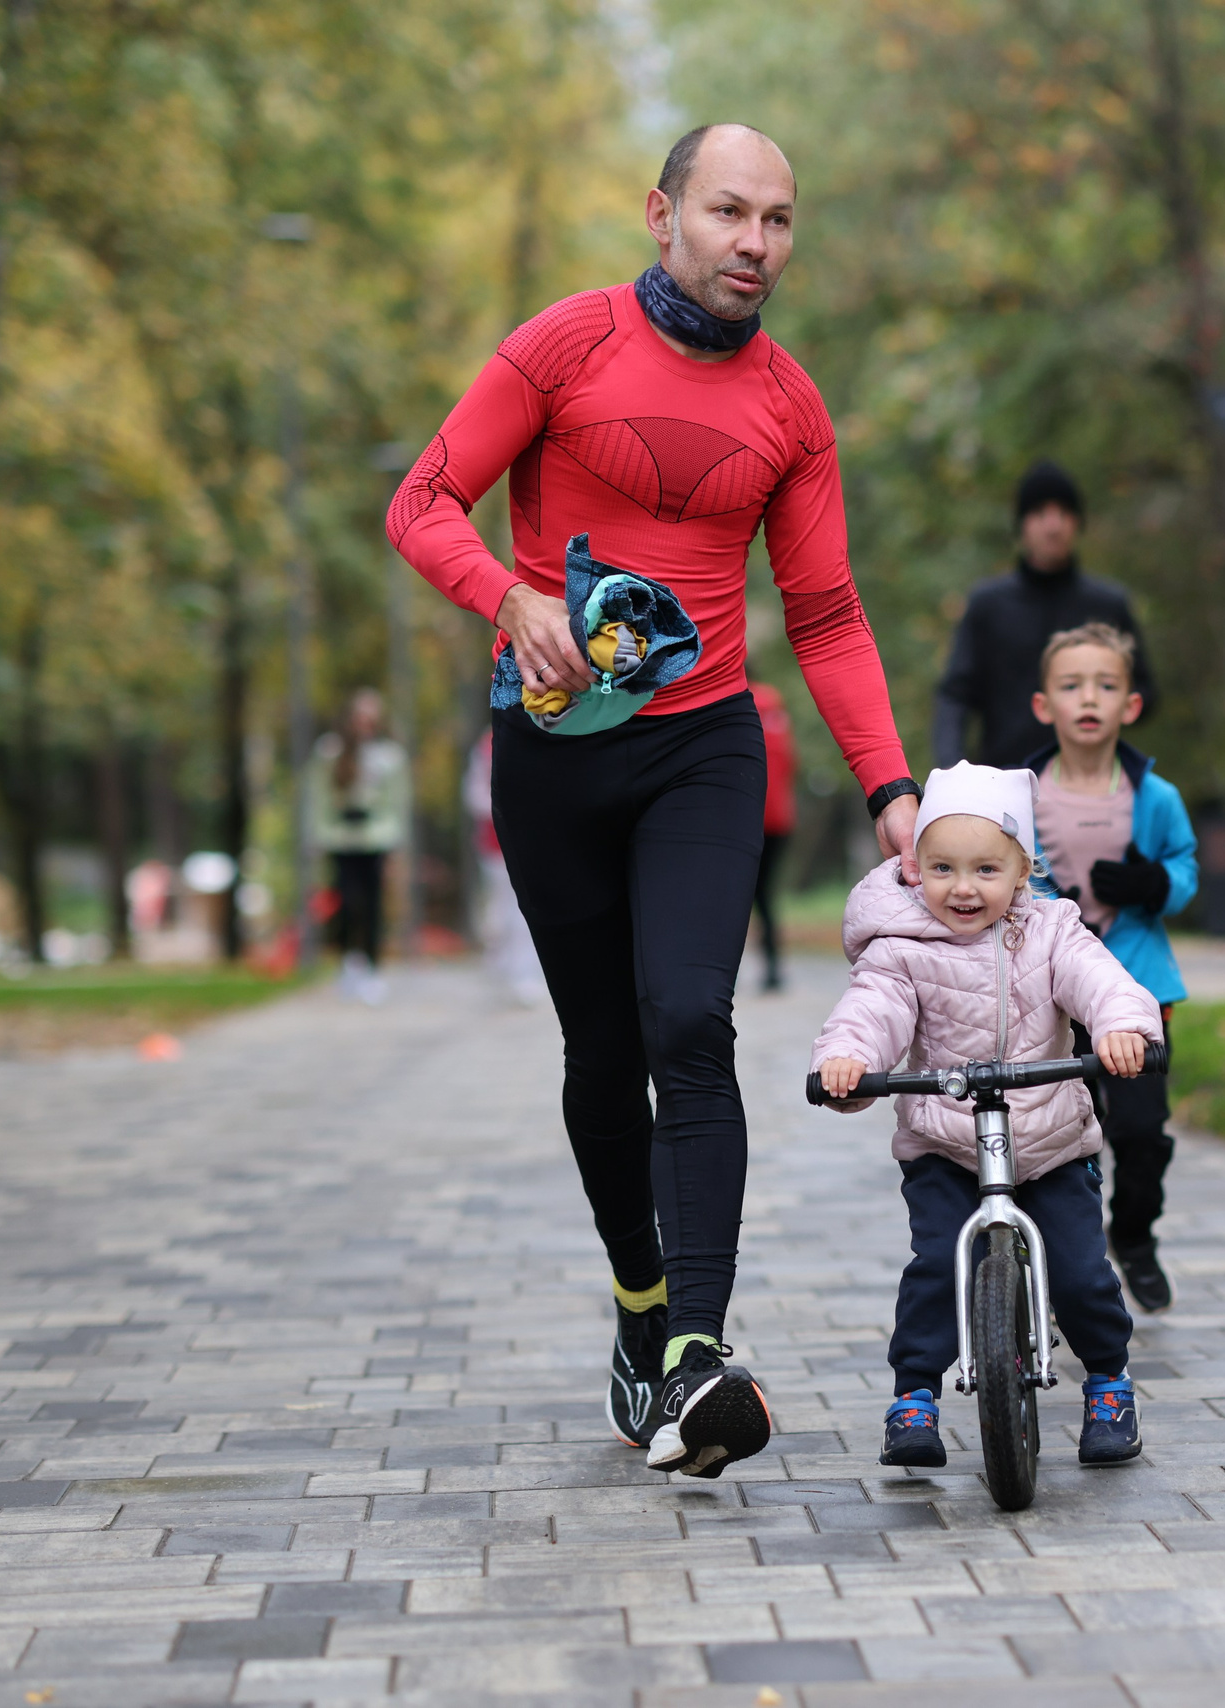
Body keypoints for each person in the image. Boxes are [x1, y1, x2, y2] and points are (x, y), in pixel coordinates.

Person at [385, 123, 922, 1479]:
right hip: (554, 753)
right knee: (600, 1047)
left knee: (689, 1019)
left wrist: (891, 787)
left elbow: (827, 613)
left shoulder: (791, 407)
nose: (756, 243)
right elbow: (423, 503)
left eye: (779, 220)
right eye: (730, 212)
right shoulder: (563, 346)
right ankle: (640, 1305)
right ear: (662, 213)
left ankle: (695, 1350)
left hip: (703, 749)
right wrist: (508, 597)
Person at [811, 763, 1163, 1468]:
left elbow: (1101, 982)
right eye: (942, 868)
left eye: (985, 869)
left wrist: (1122, 1028)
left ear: (1023, 870)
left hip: (1050, 1143)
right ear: (916, 866)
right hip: (946, 1145)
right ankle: (914, 1396)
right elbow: (872, 1010)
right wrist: (847, 1060)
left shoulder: (1052, 930)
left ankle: (1108, 1383)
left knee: (1081, 1272)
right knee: (938, 1268)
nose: (963, 888)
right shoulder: (901, 946)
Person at [1023, 624, 1197, 1313]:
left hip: (1140, 988)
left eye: (1106, 685)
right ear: (1045, 706)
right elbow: (1003, 874)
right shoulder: (1022, 796)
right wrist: (1052, 911)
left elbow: (1184, 867)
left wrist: (1155, 884)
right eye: (1072, 686)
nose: (1089, 698)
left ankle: (1135, 1235)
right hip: (1056, 997)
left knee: (1140, 1131)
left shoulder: (1156, 797)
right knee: (1066, 1136)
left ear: (1131, 704)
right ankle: (1074, 1258)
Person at [932, 460, 1158, 768]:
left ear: (1077, 523)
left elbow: (1144, 692)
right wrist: (952, 768)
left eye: (1064, 513)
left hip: (1092, 778)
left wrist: (1101, 700)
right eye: (1040, 513)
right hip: (1005, 776)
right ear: (1022, 525)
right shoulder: (988, 605)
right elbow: (955, 695)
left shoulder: (1108, 604)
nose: (1053, 526)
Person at [307, 688, 410, 1006]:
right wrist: (318, 837)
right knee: (346, 903)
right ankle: (349, 963)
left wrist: (395, 846)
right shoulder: (329, 751)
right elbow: (318, 797)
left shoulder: (389, 756)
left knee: (373, 906)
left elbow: (397, 803)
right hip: (341, 839)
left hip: (376, 839)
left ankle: (373, 967)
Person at [461, 730, 545, 1007]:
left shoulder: (546, 730)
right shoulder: (486, 745)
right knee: (504, 906)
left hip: (534, 837)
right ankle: (508, 962)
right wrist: (504, 806)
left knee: (524, 906)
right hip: (495, 841)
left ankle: (525, 970)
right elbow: (473, 793)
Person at [749, 677, 796, 993]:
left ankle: (724, 971)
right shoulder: (775, 707)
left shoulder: (735, 701)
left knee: (733, 894)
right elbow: (792, 762)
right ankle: (773, 968)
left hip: (744, 816)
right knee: (765, 895)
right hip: (780, 818)